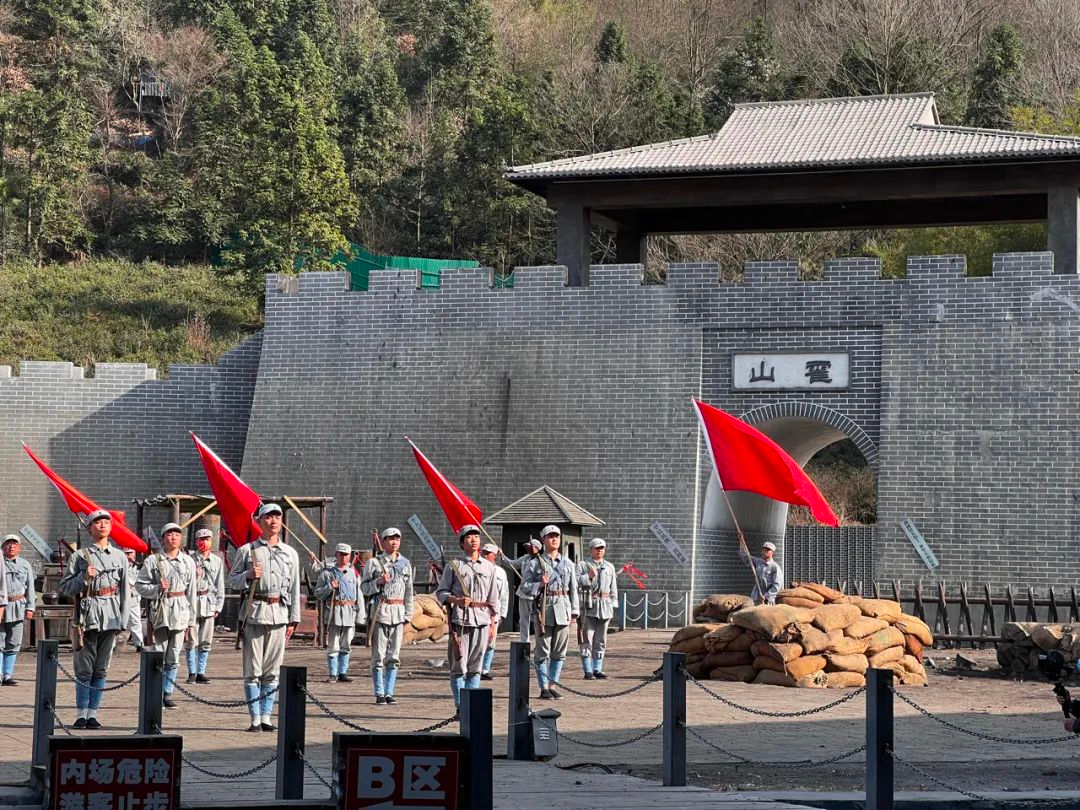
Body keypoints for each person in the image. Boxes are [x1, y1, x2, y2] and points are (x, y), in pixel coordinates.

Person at [228, 503, 300, 732]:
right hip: (255, 614)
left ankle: (267, 716)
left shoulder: (290, 553)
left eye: (277, 517)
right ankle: (255, 718)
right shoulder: (247, 550)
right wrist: (248, 575)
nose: (273, 521)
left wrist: (294, 619)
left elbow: (295, 588)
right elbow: (232, 580)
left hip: (279, 615)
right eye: (268, 517)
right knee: (253, 671)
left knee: (273, 671)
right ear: (259, 521)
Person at [59, 510, 129, 729]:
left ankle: (93, 714)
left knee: (101, 669)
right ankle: (81, 714)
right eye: (97, 522)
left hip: (111, 615)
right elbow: (65, 588)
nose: (103, 525)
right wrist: (83, 577)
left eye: (106, 521)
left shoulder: (119, 557)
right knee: (84, 670)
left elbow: (125, 591)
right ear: (89, 528)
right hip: (87, 616)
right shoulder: (79, 556)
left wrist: (123, 620)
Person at [136, 523, 197, 709]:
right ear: (163, 538)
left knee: (174, 656)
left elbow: (192, 593)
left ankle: (167, 693)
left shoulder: (188, 562)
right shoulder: (153, 560)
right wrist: (157, 588)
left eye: (177, 534)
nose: (173, 537)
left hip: (180, 611)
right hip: (161, 612)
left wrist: (191, 621)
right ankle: (155, 692)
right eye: (169, 534)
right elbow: (140, 586)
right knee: (158, 654)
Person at [436, 526, 498, 707]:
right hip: (460, 621)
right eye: (469, 537)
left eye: (476, 536)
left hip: (482, 621)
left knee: (476, 667)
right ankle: (461, 706)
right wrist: (456, 600)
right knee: (458, 666)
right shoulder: (454, 566)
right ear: (462, 543)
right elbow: (441, 593)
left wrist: (493, 624)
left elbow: (493, 599)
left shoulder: (489, 567)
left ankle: (472, 707)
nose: (473, 539)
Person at [521, 525, 579, 700]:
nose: (554, 539)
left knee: (559, 652)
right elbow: (524, 586)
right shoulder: (534, 563)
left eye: (556, 536)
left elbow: (573, 589)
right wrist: (539, 584)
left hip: (563, 607)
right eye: (550, 536)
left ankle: (553, 684)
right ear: (543, 539)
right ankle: (543, 686)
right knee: (542, 652)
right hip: (544, 610)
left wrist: (574, 611)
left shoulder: (568, 563)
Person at [361, 527, 414, 705]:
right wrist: (378, 582)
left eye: (397, 539)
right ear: (383, 542)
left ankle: (389, 692)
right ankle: (379, 692)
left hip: (398, 613)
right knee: (378, 656)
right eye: (390, 539)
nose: (394, 542)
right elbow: (364, 588)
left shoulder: (405, 564)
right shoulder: (374, 563)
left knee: (394, 656)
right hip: (380, 612)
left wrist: (408, 615)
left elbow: (409, 592)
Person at [315, 543, 364, 683]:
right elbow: (318, 593)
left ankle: (343, 672)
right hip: (334, 613)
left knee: (346, 644)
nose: (344, 557)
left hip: (349, 613)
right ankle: (333, 673)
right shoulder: (327, 573)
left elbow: (359, 594)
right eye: (341, 554)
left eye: (346, 555)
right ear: (336, 554)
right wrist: (330, 586)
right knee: (333, 645)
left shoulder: (353, 573)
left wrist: (361, 615)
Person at [186, 528, 225, 683]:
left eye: (207, 539)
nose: (204, 542)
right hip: (192, 602)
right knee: (191, 640)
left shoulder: (216, 561)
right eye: (201, 539)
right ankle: (192, 672)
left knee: (206, 641)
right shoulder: (189, 559)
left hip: (209, 603)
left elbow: (220, 584)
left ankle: (201, 672)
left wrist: (219, 606)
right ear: (196, 541)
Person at [576, 538, 618, 680]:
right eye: (597, 548)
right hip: (588, 606)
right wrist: (588, 576)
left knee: (601, 639)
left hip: (605, 606)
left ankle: (597, 668)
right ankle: (587, 670)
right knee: (587, 638)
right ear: (591, 549)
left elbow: (613, 588)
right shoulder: (583, 565)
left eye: (602, 548)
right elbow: (575, 582)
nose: (599, 550)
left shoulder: (609, 567)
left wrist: (613, 605)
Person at [1, 534, 35, 685]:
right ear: (3, 547)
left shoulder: (25, 565)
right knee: (0, 641)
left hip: (18, 607)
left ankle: (7, 674)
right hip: (2, 607)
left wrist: (30, 607)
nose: (11, 546)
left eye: (14, 544)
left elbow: (30, 587)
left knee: (14, 642)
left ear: (19, 547)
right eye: (8, 543)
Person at [478, 542, 509, 680]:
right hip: (479, 609)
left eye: (487, 553)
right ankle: (475, 668)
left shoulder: (500, 572)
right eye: (483, 553)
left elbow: (505, 593)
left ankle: (485, 669)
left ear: (494, 555)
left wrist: (502, 613)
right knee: (478, 643)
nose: (484, 555)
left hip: (494, 612)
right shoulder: (477, 568)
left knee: (491, 642)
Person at [508, 538, 541, 643]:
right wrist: (502, 556)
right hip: (523, 593)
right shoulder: (525, 558)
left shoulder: (541, 561)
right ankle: (524, 642)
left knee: (537, 620)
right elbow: (512, 564)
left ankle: (539, 643)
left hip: (535, 594)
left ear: (537, 548)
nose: (528, 549)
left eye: (531, 547)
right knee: (523, 620)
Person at [122, 547, 144, 651]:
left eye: (130, 553)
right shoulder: (120, 566)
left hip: (133, 597)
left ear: (134, 553)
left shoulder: (139, 567)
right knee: (116, 621)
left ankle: (139, 643)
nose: (128, 556)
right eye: (126, 553)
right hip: (121, 597)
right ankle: (112, 644)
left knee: (136, 621)